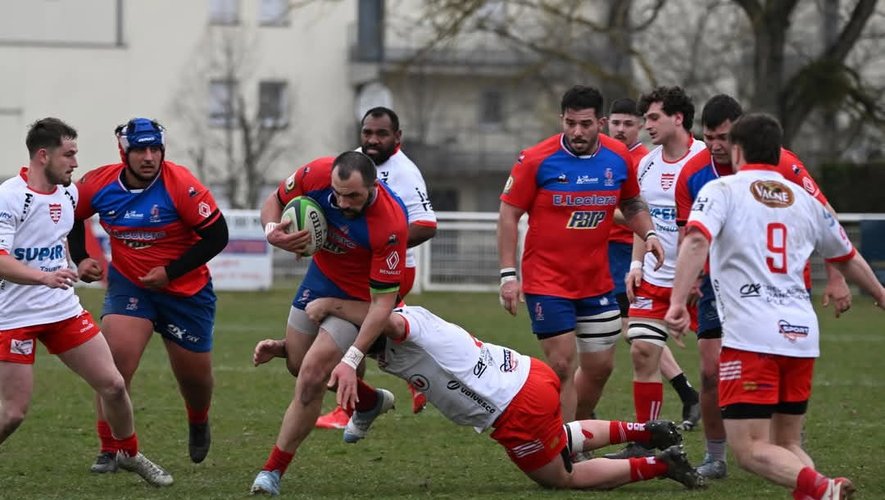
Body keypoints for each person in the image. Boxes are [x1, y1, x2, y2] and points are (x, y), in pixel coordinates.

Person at [254, 300, 706, 492]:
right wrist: (285, 349)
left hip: (513, 408)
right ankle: (645, 430)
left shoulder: (401, 324)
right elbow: (345, 349)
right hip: (528, 375)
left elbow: (384, 321)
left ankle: (661, 464)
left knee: (560, 477)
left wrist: (333, 306)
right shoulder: (401, 327)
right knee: (560, 437)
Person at [666, 112, 884, 499]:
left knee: (749, 449)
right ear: (777, 152)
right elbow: (848, 256)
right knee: (786, 444)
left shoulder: (722, 190)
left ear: (737, 151)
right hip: (801, 336)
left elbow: (696, 240)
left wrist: (678, 300)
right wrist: (881, 295)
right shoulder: (806, 201)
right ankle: (821, 491)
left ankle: (824, 488)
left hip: (752, 337)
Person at [0, 118, 172, 486]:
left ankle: (129, 453)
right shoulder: (10, 196)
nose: (75, 163)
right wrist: (43, 277)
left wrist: (81, 260)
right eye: (69, 154)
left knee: (113, 385)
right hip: (14, 316)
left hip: (62, 310)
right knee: (12, 413)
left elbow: (96, 210)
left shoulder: (70, 195)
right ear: (43, 156)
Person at [68, 118, 229, 471]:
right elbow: (72, 215)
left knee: (195, 380)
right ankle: (110, 448)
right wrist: (81, 258)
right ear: (124, 152)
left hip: (185, 290)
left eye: (155, 149)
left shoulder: (181, 185)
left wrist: (170, 272)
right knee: (114, 364)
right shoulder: (99, 183)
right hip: (131, 285)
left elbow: (218, 236)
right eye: (140, 149)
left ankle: (198, 419)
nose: (149, 157)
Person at [497, 85, 663, 423]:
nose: (576, 132)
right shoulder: (536, 159)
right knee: (561, 365)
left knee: (600, 369)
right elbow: (508, 214)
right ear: (562, 119)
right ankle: (564, 444)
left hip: (596, 283)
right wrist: (508, 275)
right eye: (570, 123)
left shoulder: (618, 157)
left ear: (600, 123)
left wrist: (649, 233)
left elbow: (631, 202)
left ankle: (576, 432)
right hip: (547, 282)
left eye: (585, 124)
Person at [250, 151, 409, 496]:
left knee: (311, 378)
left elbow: (382, 306)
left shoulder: (390, 223)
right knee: (297, 364)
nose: (342, 202)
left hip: (358, 299)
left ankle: (271, 471)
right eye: (338, 193)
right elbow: (274, 202)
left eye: (353, 196)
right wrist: (272, 231)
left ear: (373, 186)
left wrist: (352, 358)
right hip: (320, 279)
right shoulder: (317, 173)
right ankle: (369, 402)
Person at [316, 107, 437, 429]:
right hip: (356, 266)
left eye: (381, 134)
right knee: (366, 330)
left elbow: (427, 225)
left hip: (394, 270)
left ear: (397, 137)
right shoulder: (353, 163)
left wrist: (380, 246)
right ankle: (414, 376)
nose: (372, 139)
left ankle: (350, 408)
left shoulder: (405, 172)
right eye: (367, 132)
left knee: (346, 328)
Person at [608, 86, 706, 460]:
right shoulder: (646, 164)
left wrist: (700, 275)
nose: (646, 125)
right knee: (643, 351)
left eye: (653, 118)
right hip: (654, 278)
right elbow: (642, 219)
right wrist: (636, 265)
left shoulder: (704, 161)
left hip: (702, 282)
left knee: (717, 368)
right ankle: (647, 441)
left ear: (677, 118)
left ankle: (725, 449)